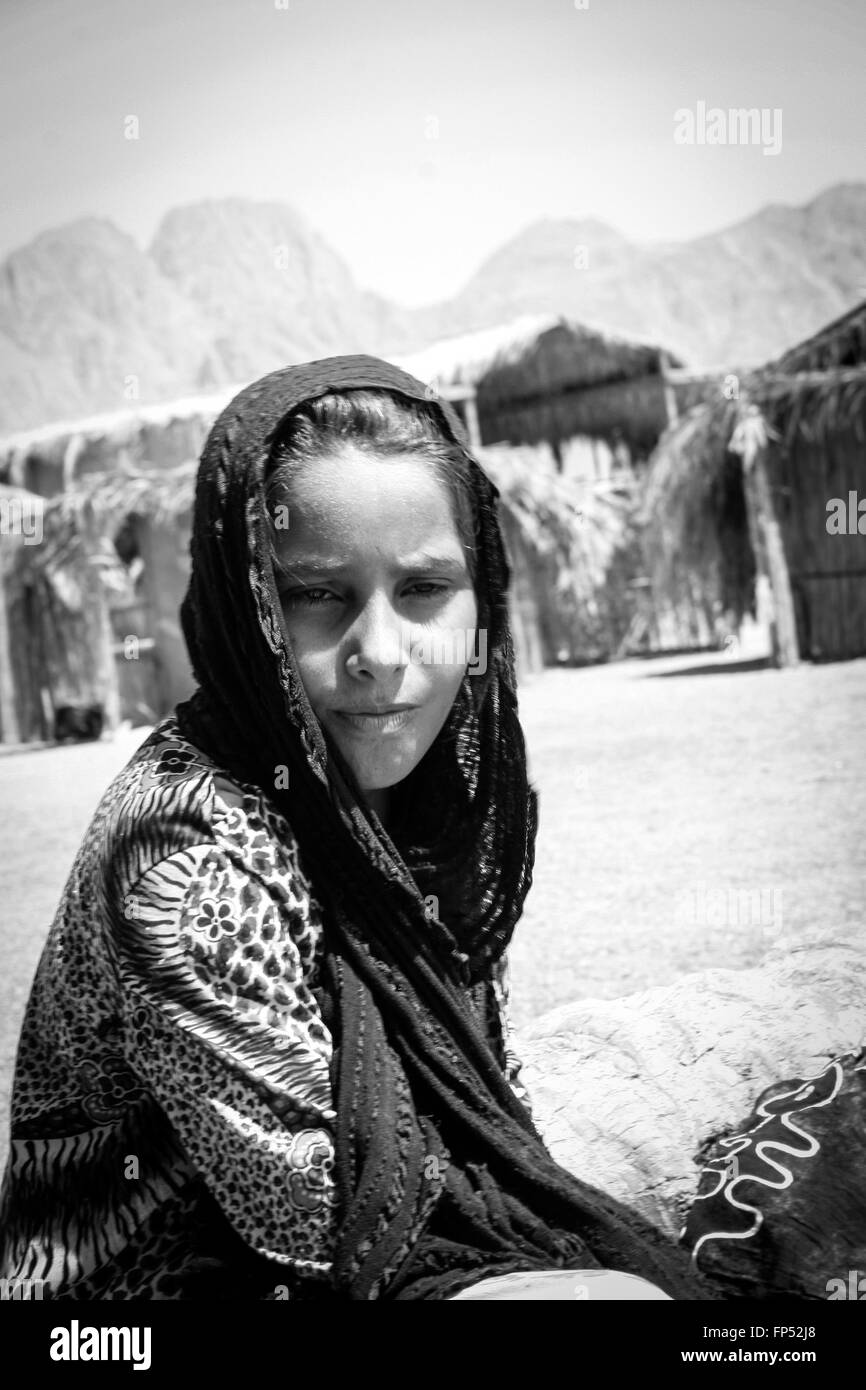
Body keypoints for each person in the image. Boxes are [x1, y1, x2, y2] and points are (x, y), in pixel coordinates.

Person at [0, 356, 720, 1301]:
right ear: (244, 600)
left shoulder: (420, 809)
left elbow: (486, 1101)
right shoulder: (186, 857)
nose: (380, 655)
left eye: (424, 590)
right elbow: (317, 1232)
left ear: (480, 598)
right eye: (316, 596)